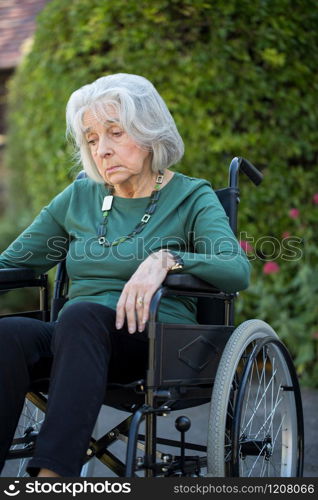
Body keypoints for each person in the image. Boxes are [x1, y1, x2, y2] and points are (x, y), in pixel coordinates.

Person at [0, 73, 250, 477]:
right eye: (93, 139)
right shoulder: (80, 197)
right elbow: (15, 264)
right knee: (9, 334)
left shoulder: (191, 196)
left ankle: (53, 478)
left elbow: (236, 270)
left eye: (115, 132)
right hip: (75, 339)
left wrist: (166, 259)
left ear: (150, 131)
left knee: (79, 317)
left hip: (153, 340)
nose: (102, 150)